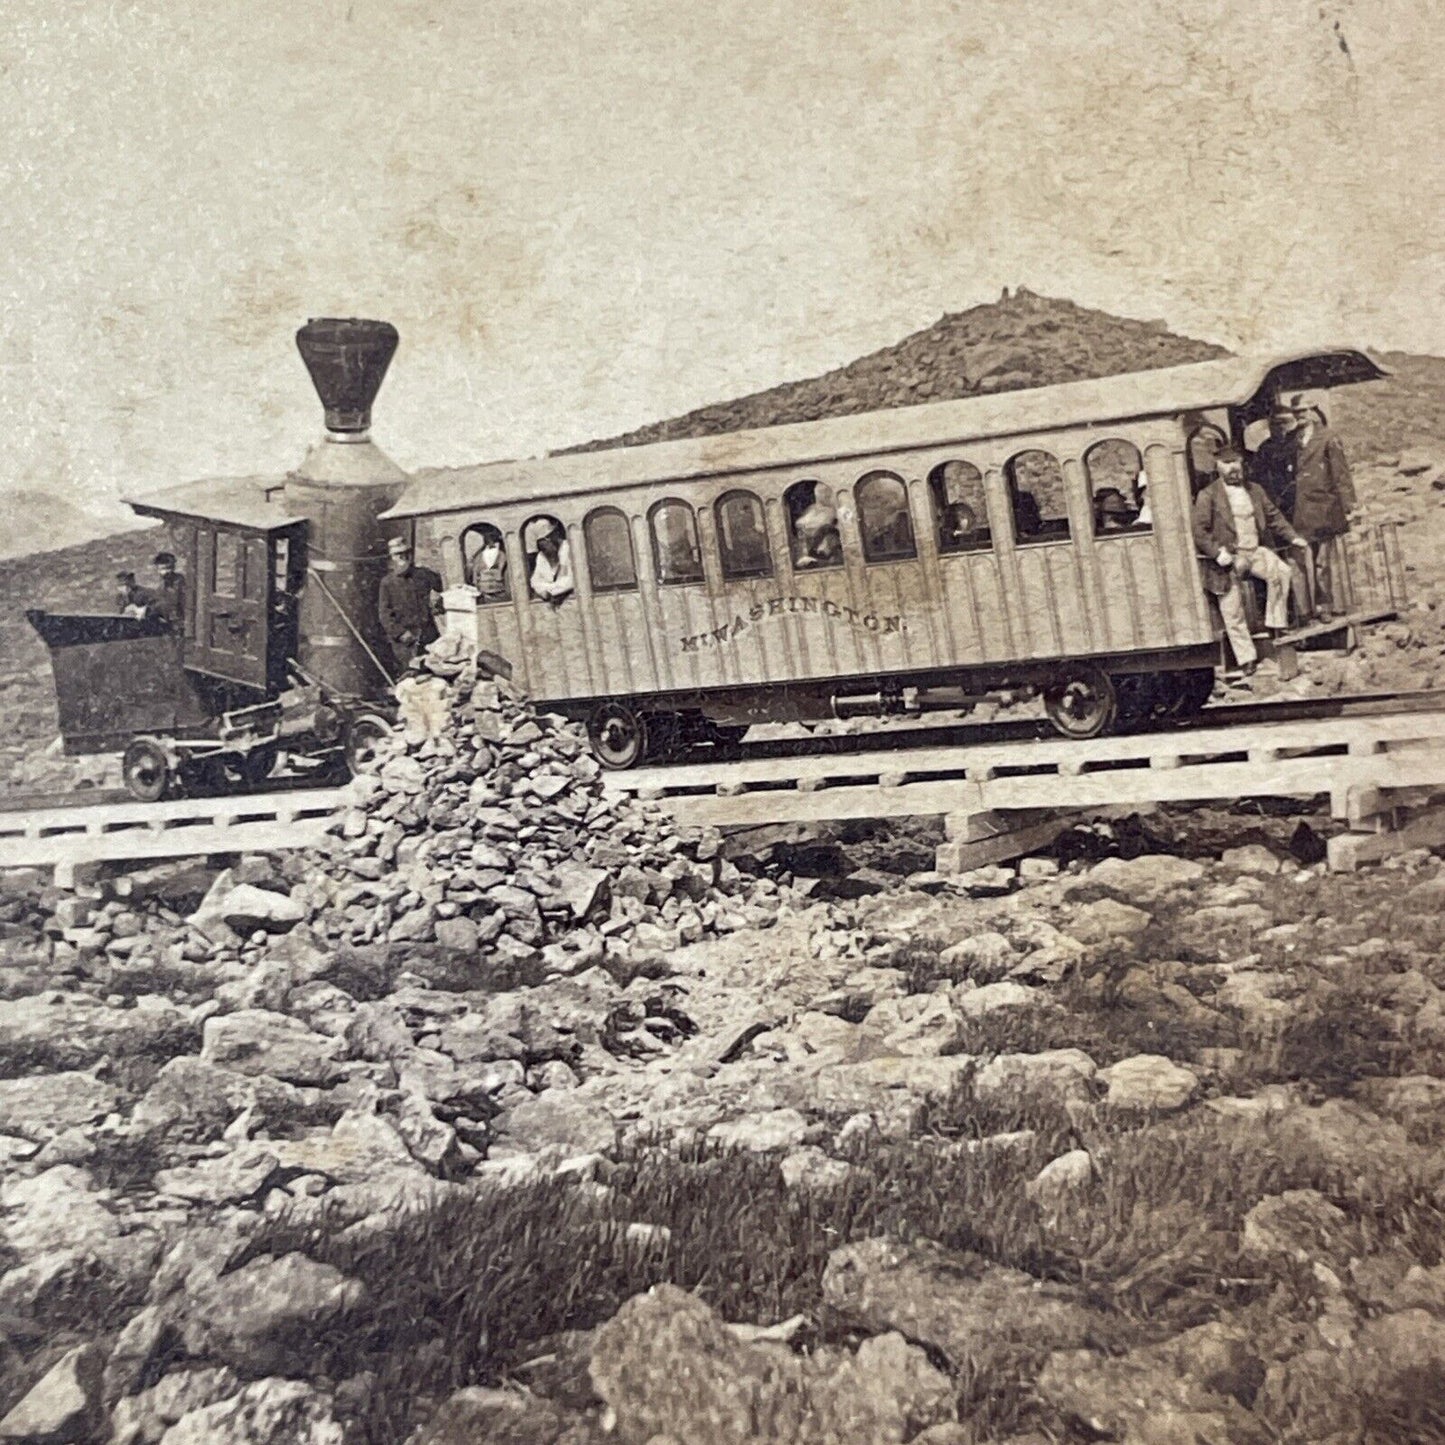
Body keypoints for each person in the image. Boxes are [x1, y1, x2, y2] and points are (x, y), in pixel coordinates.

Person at [1192, 446, 1309, 678]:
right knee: (1232, 609)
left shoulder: (1254, 490)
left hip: (1254, 551)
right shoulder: (1208, 495)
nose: (1233, 468)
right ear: (1217, 466)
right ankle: (1246, 659)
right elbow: (1199, 530)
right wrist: (1218, 554)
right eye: (1227, 463)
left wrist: (1293, 537)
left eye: (1236, 462)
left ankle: (1276, 624)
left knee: (1282, 572)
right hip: (1227, 558)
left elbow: (1273, 516)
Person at [1285, 392, 1356, 619]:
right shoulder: (1291, 439)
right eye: (1296, 412)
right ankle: (1306, 611)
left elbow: (1341, 474)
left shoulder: (1328, 437)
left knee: (1322, 563)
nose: (1300, 416)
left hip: (1324, 508)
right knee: (1300, 561)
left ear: (1313, 411)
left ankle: (1326, 607)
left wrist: (1349, 505)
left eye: (1304, 411)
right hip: (1299, 509)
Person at [377, 535, 443, 670]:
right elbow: (384, 614)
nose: (402, 557)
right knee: (411, 676)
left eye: (405, 553)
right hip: (405, 641)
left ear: (410, 554)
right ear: (392, 558)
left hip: (428, 636)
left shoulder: (424, 575)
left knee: (436, 673)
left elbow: (445, 587)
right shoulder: (388, 583)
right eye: (397, 554)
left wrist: (439, 602)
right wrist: (400, 633)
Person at [1251, 407, 1299, 517]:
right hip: (1276, 497)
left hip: (1300, 496)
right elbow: (1259, 475)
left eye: (1285, 423)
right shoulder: (1265, 448)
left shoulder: (1298, 444)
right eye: (1275, 424)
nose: (1281, 427)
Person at [793, 486, 842, 567]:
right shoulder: (813, 509)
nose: (824, 495)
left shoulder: (837, 510)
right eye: (821, 493)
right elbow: (800, 523)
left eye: (826, 493)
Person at [529, 524, 574, 602]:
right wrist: (544, 591)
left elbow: (569, 582)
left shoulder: (568, 549)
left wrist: (548, 590)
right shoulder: (541, 555)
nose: (543, 550)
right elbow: (535, 581)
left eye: (545, 542)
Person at [466, 528, 509, 602]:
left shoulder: (479, 556)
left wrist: (476, 583)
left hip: (484, 585)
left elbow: (475, 572)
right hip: (498, 585)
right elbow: (502, 568)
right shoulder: (501, 554)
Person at [149, 552, 187, 629]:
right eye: (163, 569)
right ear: (157, 569)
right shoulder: (156, 583)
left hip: (177, 620)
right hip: (160, 620)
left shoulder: (179, 581)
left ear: (173, 568)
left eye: (169, 568)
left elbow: (180, 601)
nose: (166, 572)